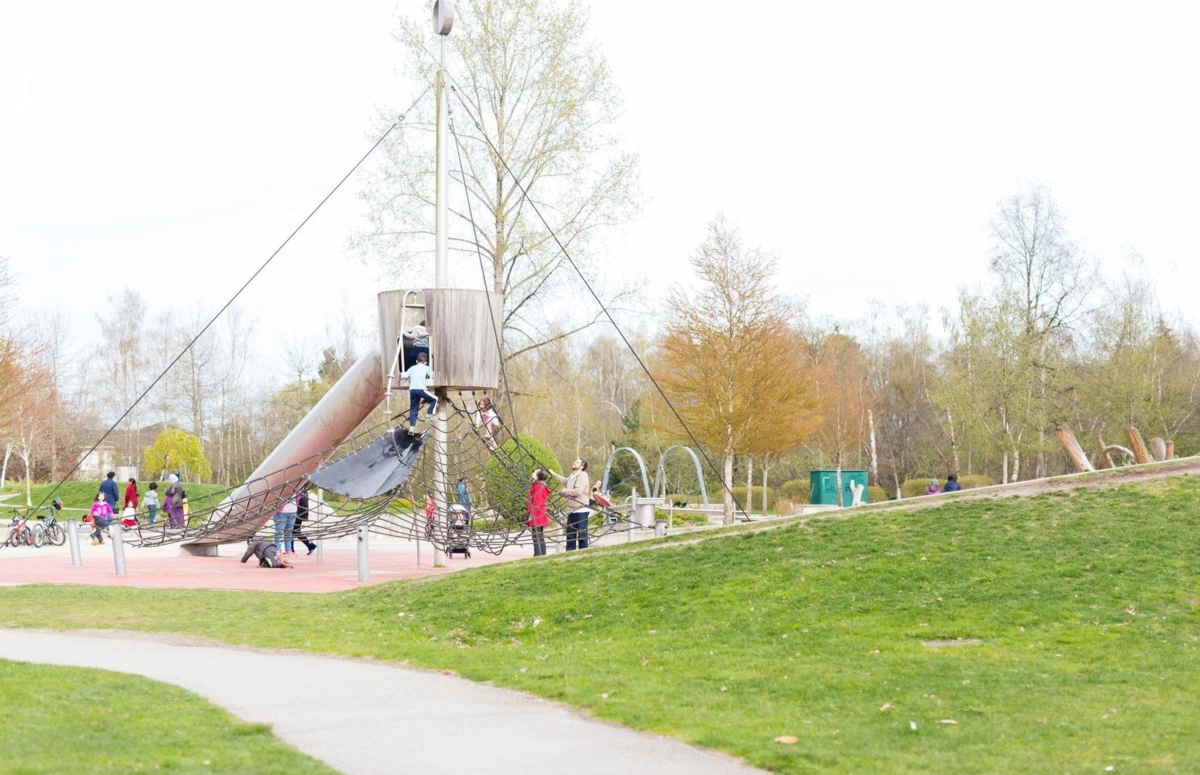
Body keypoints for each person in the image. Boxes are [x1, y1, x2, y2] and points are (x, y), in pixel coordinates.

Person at [551, 459, 591, 551]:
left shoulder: (582, 476)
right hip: (571, 510)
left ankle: (583, 553)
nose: (574, 462)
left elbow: (578, 491)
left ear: (581, 467)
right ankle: (569, 554)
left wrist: (566, 491)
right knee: (570, 535)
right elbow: (564, 480)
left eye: (577, 462)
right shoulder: (572, 476)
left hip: (581, 509)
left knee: (581, 534)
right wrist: (553, 474)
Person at [404, 352, 437, 430]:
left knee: (413, 409)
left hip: (412, 390)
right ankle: (429, 414)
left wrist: (403, 375)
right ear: (425, 362)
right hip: (421, 389)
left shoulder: (412, 368)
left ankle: (412, 428)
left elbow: (404, 375)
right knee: (435, 399)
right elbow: (433, 375)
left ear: (416, 361)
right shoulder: (426, 368)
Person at [526, 468, 550, 557]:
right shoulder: (537, 485)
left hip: (537, 513)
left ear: (537, 476)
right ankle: (541, 553)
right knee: (539, 535)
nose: (532, 473)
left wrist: (531, 515)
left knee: (536, 535)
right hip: (539, 512)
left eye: (534, 472)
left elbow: (537, 501)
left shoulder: (538, 486)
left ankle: (538, 554)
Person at [292, 487, 317, 555]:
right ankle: (310, 545)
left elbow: (303, 503)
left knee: (293, 530)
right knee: (294, 531)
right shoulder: (303, 489)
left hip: (297, 513)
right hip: (299, 513)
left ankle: (310, 545)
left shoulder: (300, 490)